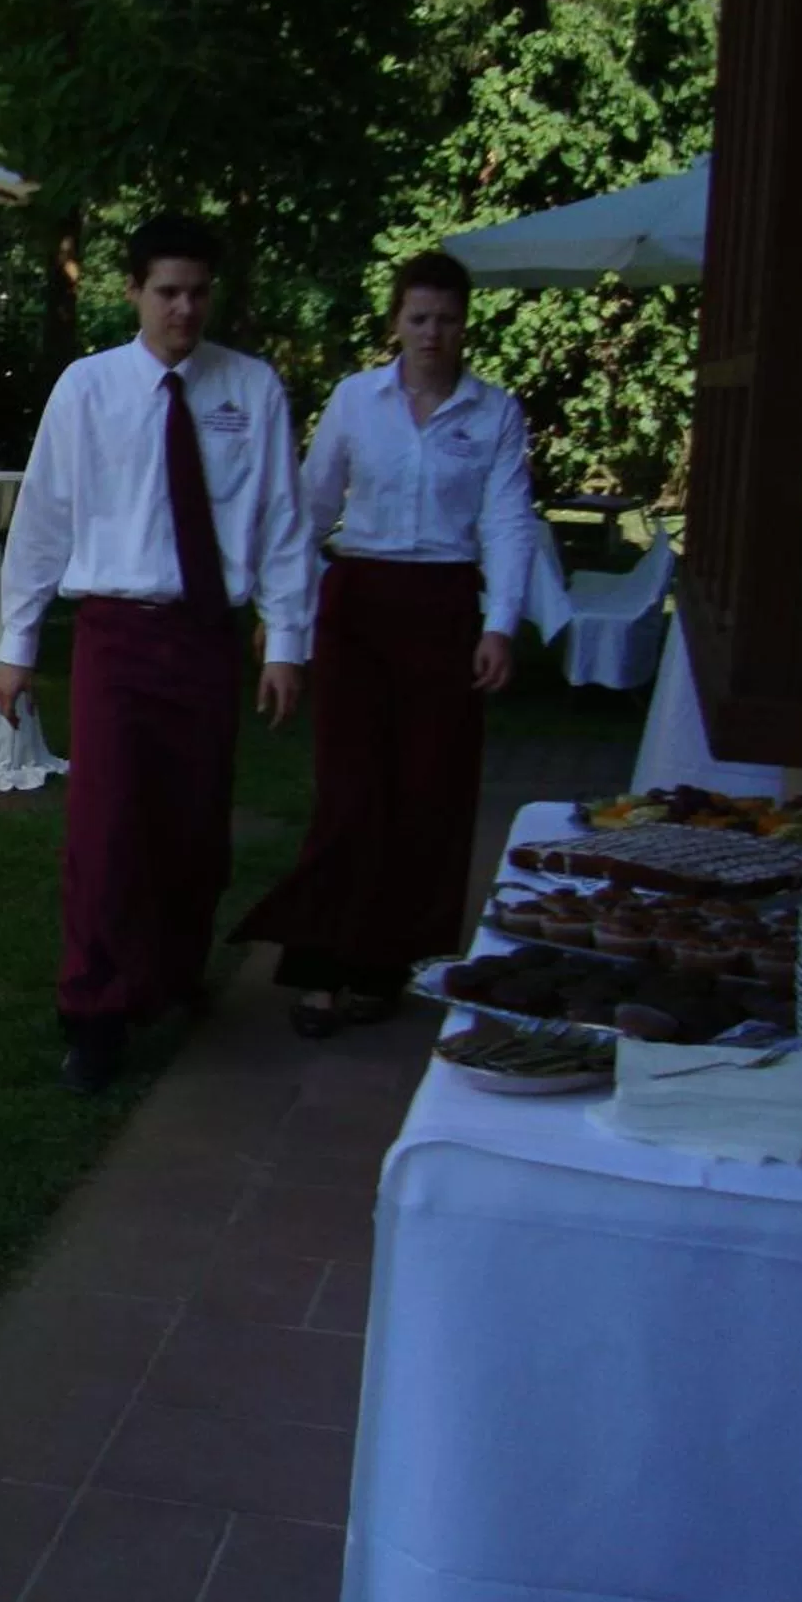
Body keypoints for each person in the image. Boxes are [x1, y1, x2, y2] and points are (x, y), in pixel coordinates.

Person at [0, 215, 315, 1095]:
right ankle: (93, 1010)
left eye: (198, 293)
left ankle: (170, 972)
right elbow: (45, 517)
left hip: (206, 636)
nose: (184, 310)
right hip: (116, 634)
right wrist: (17, 645)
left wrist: (287, 641)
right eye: (167, 292)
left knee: (193, 827)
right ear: (132, 290)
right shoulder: (88, 389)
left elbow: (284, 521)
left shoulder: (251, 389)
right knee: (105, 829)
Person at [231, 250, 536, 1035]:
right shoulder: (355, 400)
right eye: (419, 317)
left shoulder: (494, 413)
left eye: (447, 319)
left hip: (444, 606)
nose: (433, 333)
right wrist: (284, 611)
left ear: (466, 325)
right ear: (396, 321)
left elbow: (508, 521)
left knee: (428, 793)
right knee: (350, 791)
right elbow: (309, 507)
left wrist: (500, 623)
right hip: (359, 605)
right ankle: (319, 971)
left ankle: (385, 964)